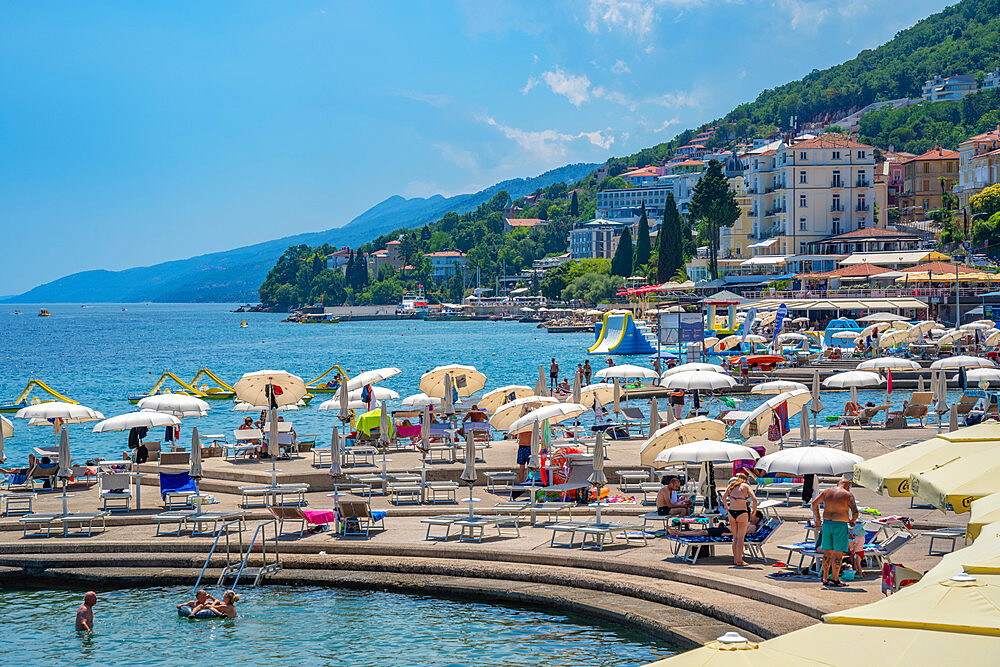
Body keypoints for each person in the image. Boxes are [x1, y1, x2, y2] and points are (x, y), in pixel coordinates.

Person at [811, 479, 860, 588]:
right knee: (838, 554)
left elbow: (814, 504)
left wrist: (818, 519)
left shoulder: (827, 491)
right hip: (840, 525)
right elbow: (855, 512)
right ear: (847, 487)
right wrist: (852, 520)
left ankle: (825, 578)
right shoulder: (848, 495)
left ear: (837, 484)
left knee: (827, 552)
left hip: (827, 524)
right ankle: (835, 579)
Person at [721, 473, 758, 567]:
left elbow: (723, 498)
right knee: (741, 538)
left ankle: (735, 559)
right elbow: (754, 499)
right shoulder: (745, 486)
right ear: (745, 480)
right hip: (742, 512)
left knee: (735, 538)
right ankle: (740, 560)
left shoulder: (731, 485)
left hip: (732, 513)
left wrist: (727, 508)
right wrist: (754, 511)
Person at [667, 510, 763, 538]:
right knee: (699, 531)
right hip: (724, 529)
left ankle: (679, 533)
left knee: (702, 533)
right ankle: (678, 532)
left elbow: (743, 534)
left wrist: (729, 534)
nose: (751, 515)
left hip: (725, 531)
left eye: (753, 515)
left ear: (757, 518)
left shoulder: (753, 526)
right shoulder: (748, 522)